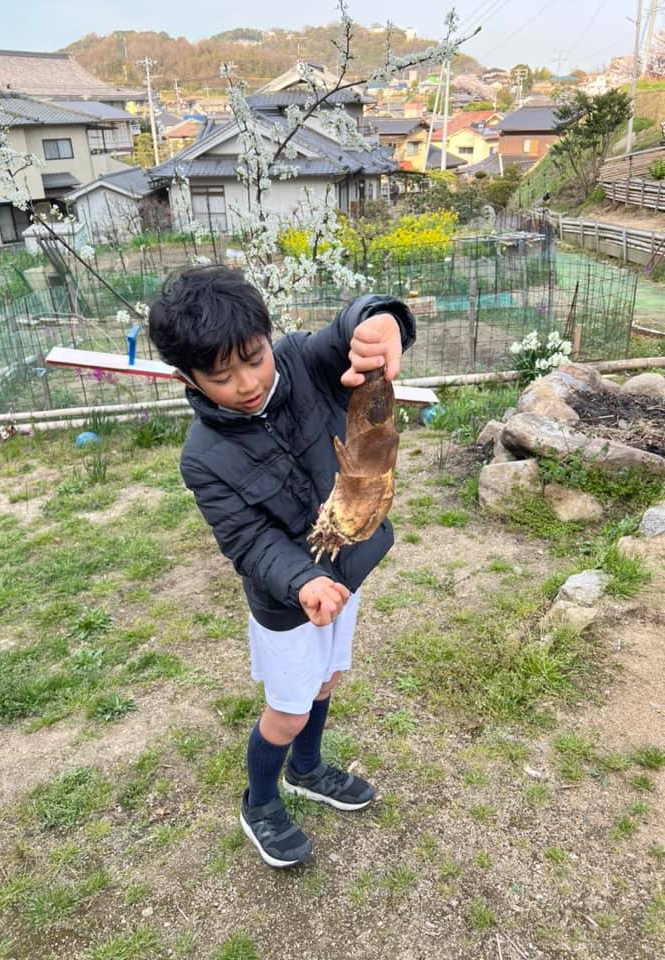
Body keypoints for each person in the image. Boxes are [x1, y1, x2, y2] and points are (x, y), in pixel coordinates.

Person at [148, 266, 415, 868]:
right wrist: (303, 580)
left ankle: (307, 769)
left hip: (345, 574)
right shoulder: (203, 458)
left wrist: (379, 321)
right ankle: (261, 801)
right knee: (289, 710)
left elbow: (349, 329)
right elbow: (247, 540)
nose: (247, 383)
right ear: (187, 379)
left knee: (326, 682)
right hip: (287, 601)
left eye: (254, 359)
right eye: (221, 376)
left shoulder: (301, 361)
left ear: (268, 339)